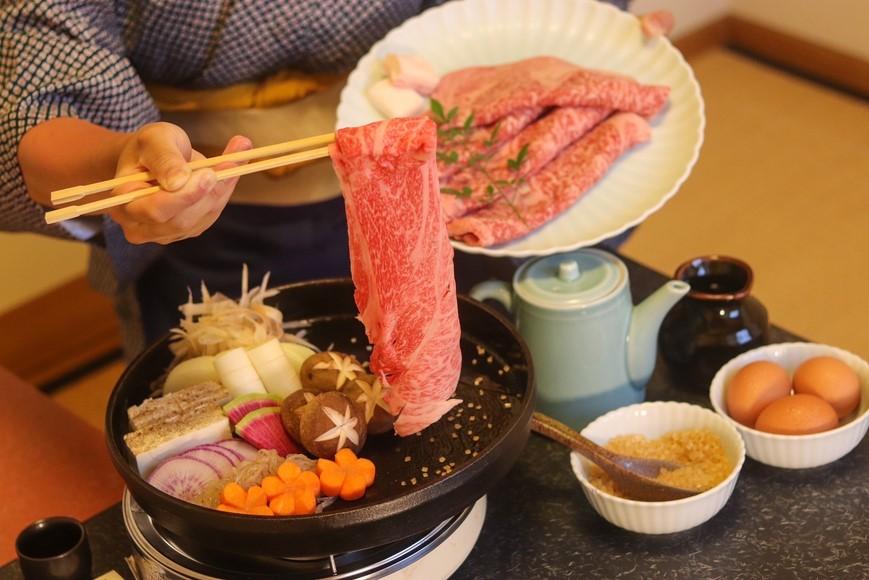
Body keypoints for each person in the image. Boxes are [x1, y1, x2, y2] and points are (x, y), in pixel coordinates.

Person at [2, 1, 672, 356]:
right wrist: (117, 163)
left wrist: (580, 36)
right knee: (280, 435)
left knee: (516, 365)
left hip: (460, 154)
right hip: (226, 205)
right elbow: (38, 65)